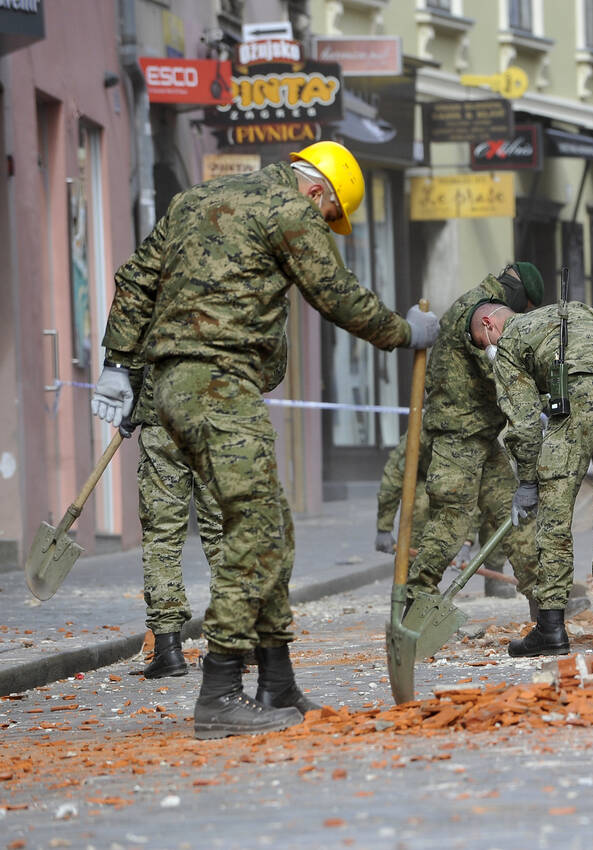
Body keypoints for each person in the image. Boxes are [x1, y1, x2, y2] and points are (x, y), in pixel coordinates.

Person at [90, 141, 440, 739]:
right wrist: (405, 332)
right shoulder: (291, 208)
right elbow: (334, 294)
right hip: (219, 385)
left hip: (174, 387)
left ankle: (276, 678)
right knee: (253, 530)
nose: (325, 226)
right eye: (331, 217)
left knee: (273, 523)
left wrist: (118, 364)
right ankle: (221, 687)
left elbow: (134, 279)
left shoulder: (194, 199)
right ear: (319, 191)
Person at [467, 298, 593, 656]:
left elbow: (526, 423)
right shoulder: (574, 309)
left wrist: (528, 483)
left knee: (555, 518)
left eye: (483, 342)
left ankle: (551, 630)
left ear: (488, 323)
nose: (488, 349)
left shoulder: (510, 345)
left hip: (578, 404)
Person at [402, 264, 543, 611]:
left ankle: (546, 604)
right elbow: (495, 359)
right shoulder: (477, 310)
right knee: (452, 520)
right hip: (457, 440)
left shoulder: (488, 302)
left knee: (518, 517)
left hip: (482, 437)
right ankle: (415, 601)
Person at [128, 371, 224, 679]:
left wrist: (130, 403)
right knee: (225, 533)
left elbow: (128, 350)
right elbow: (271, 363)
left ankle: (168, 650)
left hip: (163, 420)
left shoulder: (151, 318)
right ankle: (236, 643)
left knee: (162, 539)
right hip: (220, 420)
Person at [374, 428, 514, 598]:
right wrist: (384, 527)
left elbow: (475, 493)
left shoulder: (476, 432)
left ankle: (495, 577)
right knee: (419, 507)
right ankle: (409, 588)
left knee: (495, 507)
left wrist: (466, 541)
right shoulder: (420, 434)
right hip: (426, 479)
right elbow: (393, 476)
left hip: (469, 480)